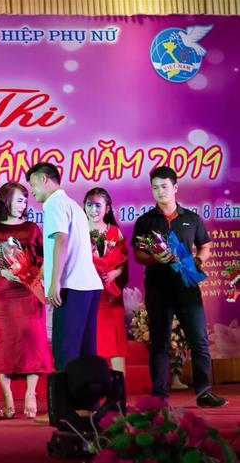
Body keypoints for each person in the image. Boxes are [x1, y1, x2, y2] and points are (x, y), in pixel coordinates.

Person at [132, 166, 227, 407]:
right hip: (158, 290)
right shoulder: (145, 221)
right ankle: (159, 396)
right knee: (159, 343)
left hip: (187, 287)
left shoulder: (191, 218)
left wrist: (198, 260)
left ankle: (204, 392)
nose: (160, 191)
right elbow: (138, 255)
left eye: (164, 186)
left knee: (199, 341)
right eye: (155, 187)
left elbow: (205, 245)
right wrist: (155, 258)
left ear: (175, 187)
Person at [0, 183, 51, 419]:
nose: (24, 205)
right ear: (5, 200)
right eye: (19, 200)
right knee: (5, 343)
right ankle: (6, 394)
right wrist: (3, 272)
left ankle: (31, 393)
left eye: (25, 200)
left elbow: (45, 258)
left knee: (33, 341)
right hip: (4, 294)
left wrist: (36, 277)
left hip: (29, 292)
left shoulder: (32, 229)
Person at [25, 162, 102, 371]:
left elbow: (61, 239)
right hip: (88, 286)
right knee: (86, 351)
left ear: (44, 179)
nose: (32, 191)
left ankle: (68, 393)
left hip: (72, 286)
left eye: (32, 184)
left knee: (66, 351)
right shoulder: (72, 204)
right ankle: (88, 392)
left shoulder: (54, 203)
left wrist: (54, 282)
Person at [84, 188, 129, 375]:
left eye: (98, 205)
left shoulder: (115, 233)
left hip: (111, 296)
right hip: (87, 296)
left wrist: (114, 274)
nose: (93, 210)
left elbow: (124, 262)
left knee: (115, 343)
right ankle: (94, 385)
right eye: (89, 205)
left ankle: (120, 389)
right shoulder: (78, 231)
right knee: (91, 342)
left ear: (107, 208)